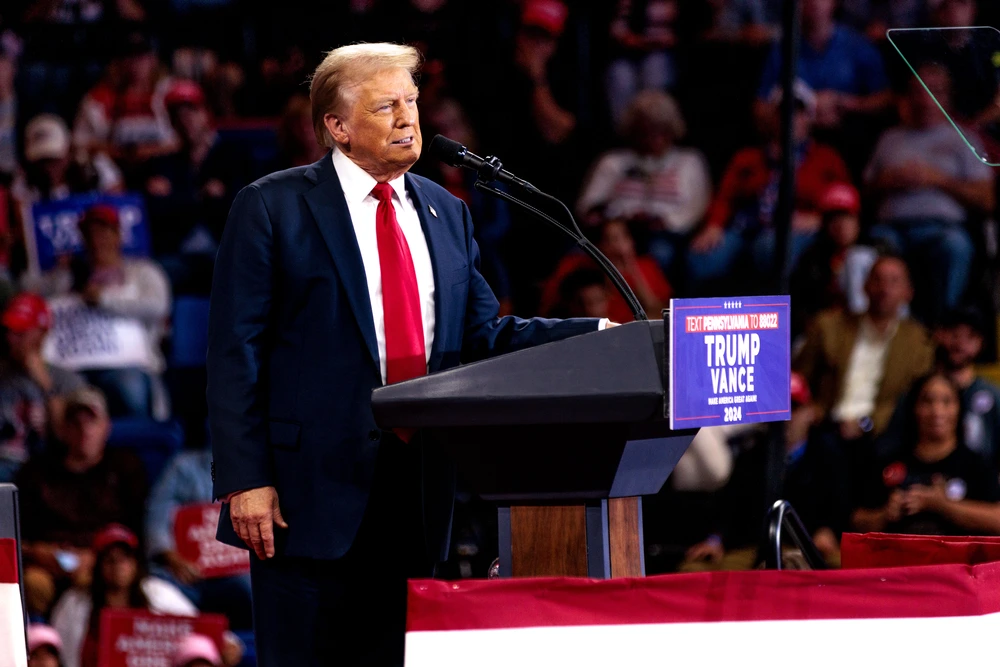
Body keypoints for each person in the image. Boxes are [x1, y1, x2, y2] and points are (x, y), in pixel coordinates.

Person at [207, 43, 609, 666]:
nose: (407, 118)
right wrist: (246, 479)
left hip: (417, 489)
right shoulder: (272, 206)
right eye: (386, 106)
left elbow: (484, 337)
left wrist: (603, 334)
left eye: (412, 102)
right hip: (304, 495)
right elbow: (236, 351)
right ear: (338, 126)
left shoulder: (447, 212)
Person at [865, 62, 995, 324]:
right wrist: (889, 180)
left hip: (941, 230)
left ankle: (943, 326)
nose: (925, 99)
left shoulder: (963, 139)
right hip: (890, 230)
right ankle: (880, 329)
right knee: (867, 251)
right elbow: (865, 192)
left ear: (948, 96)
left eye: (934, 91)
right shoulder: (889, 139)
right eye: (918, 91)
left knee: (955, 247)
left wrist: (939, 180)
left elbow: (987, 199)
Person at [688, 80, 850, 288]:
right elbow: (725, 197)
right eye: (783, 112)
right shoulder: (748, 157)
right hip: (746, 227)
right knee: (703, 258)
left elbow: (845, 200)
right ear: (773, 117)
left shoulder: (826, 158)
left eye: (798, 112)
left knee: (769, 248)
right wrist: (714, 225)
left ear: (809, 118)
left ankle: (772, 307)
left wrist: (821, 219)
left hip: (795, 229)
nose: (790, 118)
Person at [27, 203, 171, 418]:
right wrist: (60, 275)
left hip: (127, 364)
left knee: (130, 389)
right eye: (90, 234)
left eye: (104, 232)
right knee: (40, 390)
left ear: (118, 235)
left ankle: (139, 438)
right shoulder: (68, 276)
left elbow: (157, 306)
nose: (97, 240)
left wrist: (103, 300)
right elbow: (32, 297)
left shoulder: (143, 272)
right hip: (73, 365)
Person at [15, 387, 148, 618]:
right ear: (63, 429)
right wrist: (38, 552)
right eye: (76, 423)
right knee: (33, 584)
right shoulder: (35, 472)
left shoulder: (126, 469)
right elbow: (15, 533)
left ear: (106, 427)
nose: (84, 431)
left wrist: (98, 558)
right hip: (45, 564)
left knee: (104, 583)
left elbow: (137, 531)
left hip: (102, 564)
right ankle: (39, 639)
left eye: (91, 422)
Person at [793, 255, 934, 443]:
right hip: (825, 425)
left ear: (908, 292)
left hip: (883, 436)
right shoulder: (829, 327)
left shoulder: (920, 343)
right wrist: (808, 409)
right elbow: (798, 379)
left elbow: (913, 399)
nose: (885, 289)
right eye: (878, 280)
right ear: (864, 286)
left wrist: (867, 424)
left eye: (894, 282)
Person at [576, 90, 711, 276]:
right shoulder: (613, 162)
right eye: (644, 131)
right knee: (579, 253)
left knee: (660, 252)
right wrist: (616, 217)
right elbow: (588, 206)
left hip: (666, 235)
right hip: (616, 232)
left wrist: (664, 222)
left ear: (671, 129)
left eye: (659, 131)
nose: (652, 139)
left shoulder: (689, 161)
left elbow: (696, 208)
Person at [852, 372, 1000, 535]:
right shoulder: (889, 462)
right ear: (913, 408)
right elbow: (857, 521)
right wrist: (885, 514)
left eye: (947, 402)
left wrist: (943, 506)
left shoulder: (977, 466)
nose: (937, 411)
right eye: (927, 401)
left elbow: (997, 520)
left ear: (959, 408)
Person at [50, 524, 197, 667]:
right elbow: (57, 647)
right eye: (110, 559)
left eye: (125, 559)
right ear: (98, 566)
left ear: (135, 564)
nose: (118, 566)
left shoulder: (159, 593)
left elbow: (194, 628)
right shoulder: (75, 601)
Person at [146, 447, 253, 629]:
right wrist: (171, 557)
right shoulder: (184, 467)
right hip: (183, 571)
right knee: (154, 589)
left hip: (241, 575)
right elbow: (157, 514)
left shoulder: (261, 470)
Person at [880, 307, 1000, 469]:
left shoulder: (992, 396)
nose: (960, 344)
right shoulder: (916, 392)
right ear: (938, 333)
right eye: (954, 333)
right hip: (919, 476)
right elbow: (889, 448)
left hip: (976, 481)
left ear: (982, 343)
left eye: (971, 336)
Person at [0, 292, 85, 482]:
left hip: (44, 472)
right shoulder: (2, 373)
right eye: (9, 331)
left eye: (20, 333)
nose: (11, 339)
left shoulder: (66, 380)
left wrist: (45, 384)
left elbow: (66, 438)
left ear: (42, 333)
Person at [541, 218, 671, 322]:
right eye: (610, 240)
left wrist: (631, 268)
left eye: (623, 237)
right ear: (598, 246)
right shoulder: (577, 267)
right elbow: (551, 310)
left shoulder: (647, 266)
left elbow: (658, 313)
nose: (617, 246)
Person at [790, 182, 877, 335]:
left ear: (858, 221)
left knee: (857, 259)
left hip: (870, 328)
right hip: (828, 330)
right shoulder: (813, 259)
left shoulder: (875, 253)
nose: (841, 225)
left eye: (847, 218)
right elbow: (802, 306)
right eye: (834, 219)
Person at [606, 0, 679, 125]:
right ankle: (625, 129)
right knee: (620, 75)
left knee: (656, 66)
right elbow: (618, 32)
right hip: (625, 56)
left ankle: (656, 126)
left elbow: (676, 34)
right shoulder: (627, 6)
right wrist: (642, 42)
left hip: (661, 55)